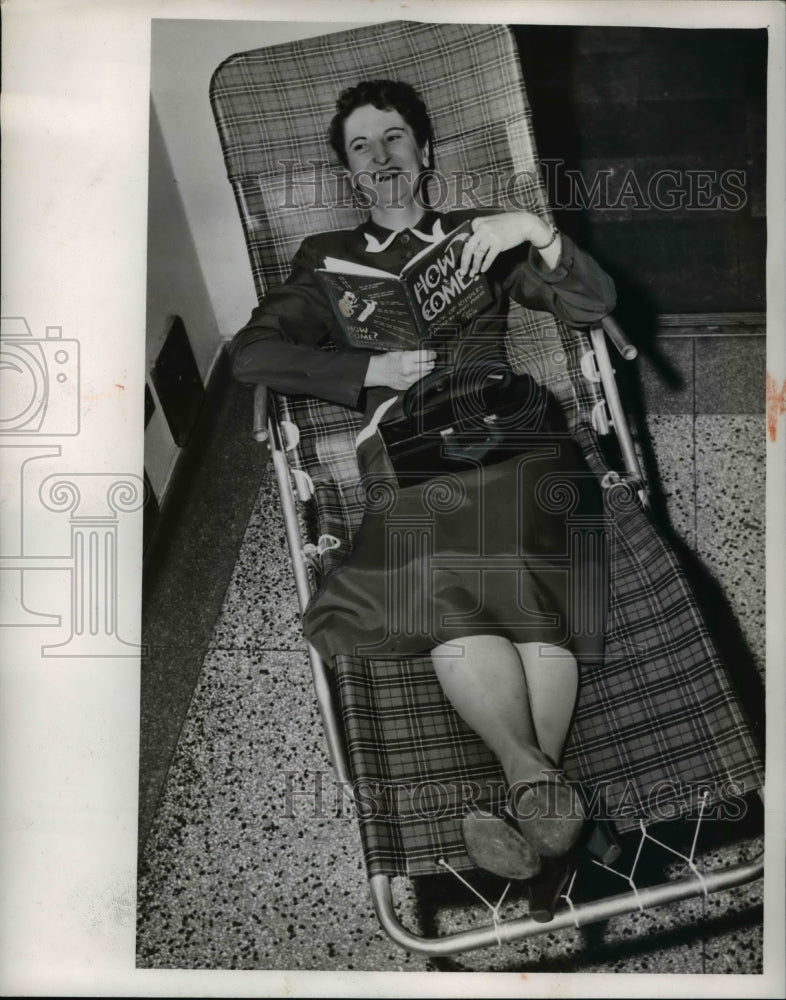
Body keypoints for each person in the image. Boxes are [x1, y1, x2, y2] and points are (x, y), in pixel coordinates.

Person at [230, 80, 617, 914]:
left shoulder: (483, 237)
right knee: (451, 579)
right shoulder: (326, 262)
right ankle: (541, 799)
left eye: (396, 137)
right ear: (349, 172)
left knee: (530, 572)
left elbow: (596, 305)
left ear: (426, 152)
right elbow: (250, 356)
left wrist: (534, 233)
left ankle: (528, 800)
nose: (382, 158)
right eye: (362, 147)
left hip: (511, 431)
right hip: (406, 448)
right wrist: (368, 370)